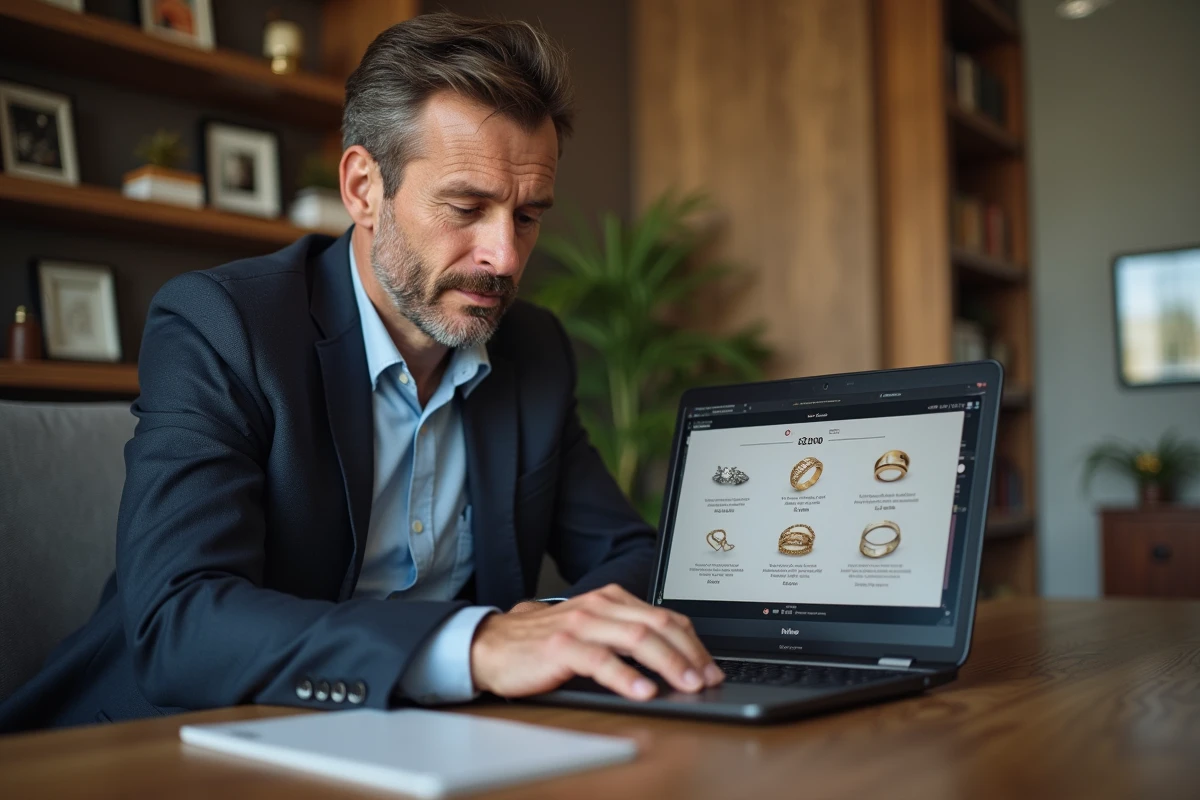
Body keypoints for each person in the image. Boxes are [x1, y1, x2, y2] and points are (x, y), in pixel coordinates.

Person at [0, 13, 724, 732]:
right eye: (466, 207)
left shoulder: (533, 351)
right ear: (363, 188)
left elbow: (633, 555)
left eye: (528, 216)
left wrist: (560, 633)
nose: (503, 256)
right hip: (176, 738)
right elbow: (179, 621)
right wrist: (473, 647)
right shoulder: (224, 327)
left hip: (435, 740)